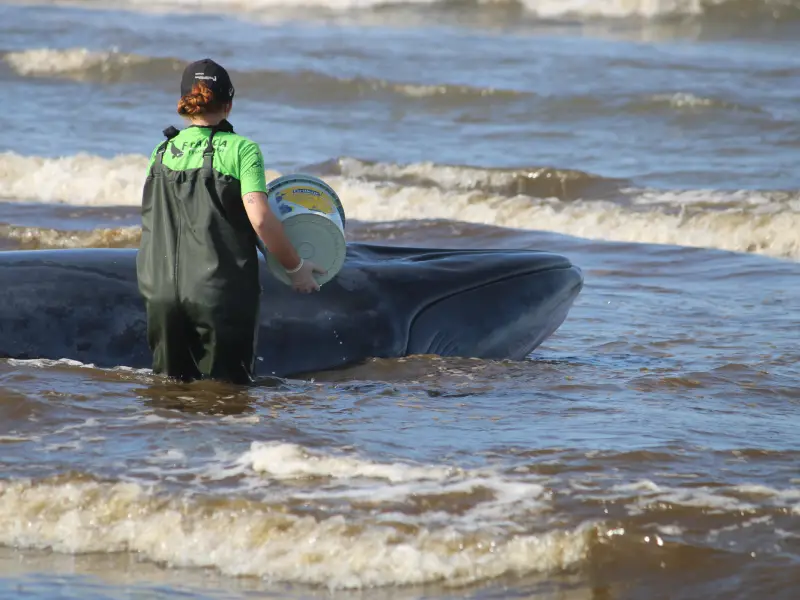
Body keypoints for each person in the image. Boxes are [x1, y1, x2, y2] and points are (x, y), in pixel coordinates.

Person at [136, 58, 326, 385]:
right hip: (218, 295)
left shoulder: (162, 151)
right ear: (229, 103)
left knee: (168, 396)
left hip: (159, 291)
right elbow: (261, 219)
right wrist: (296, 269)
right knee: (226, 397)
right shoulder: (242, 151)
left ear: (184, 102)